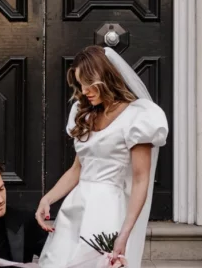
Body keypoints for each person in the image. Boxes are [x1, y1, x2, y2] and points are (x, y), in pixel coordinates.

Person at [35, 46, 168, 268]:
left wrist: (125, 233)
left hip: (107, 209)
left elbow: (140, 180)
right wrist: (47, 199)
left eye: (88, 83)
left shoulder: (138, 116)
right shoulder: (84, 113)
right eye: (80, 84)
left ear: (105, 77)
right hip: (75, 206)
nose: (84, 90)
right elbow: (78, 169)